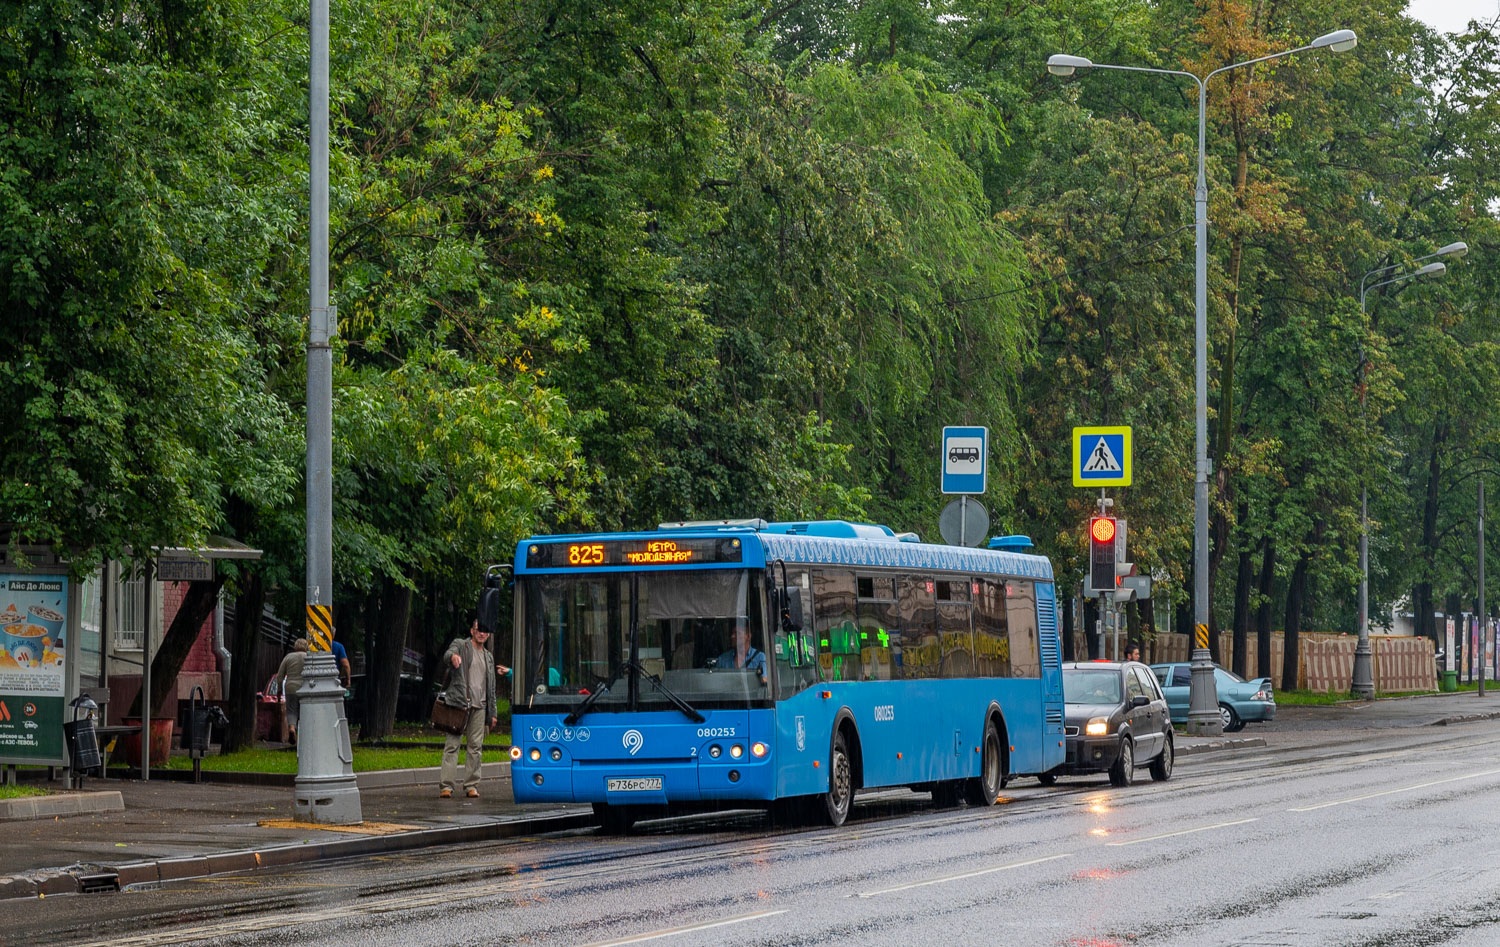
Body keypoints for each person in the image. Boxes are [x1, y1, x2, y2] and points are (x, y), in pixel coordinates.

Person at [438, 616, 497, 799]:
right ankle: (446, 786)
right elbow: (448, 655)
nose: (481, 633)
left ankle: (471, 785)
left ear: (488, 634)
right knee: (452, 745)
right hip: (459, 704)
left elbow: (491, 688)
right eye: (478, 629)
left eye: (484, 630)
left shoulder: (488, 657)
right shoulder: (461, 645)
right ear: (472, 631)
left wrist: (492, 713)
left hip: (480, 707)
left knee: (475, 747)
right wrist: (453, 657)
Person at [273, 638, 309, 743]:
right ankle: (304, 733)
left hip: (291, 687)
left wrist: (279, 690)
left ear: (295, 646)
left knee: (291, 710)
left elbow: (280, 675)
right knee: (304, 710)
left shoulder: (288, 657)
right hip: (305, 687)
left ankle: (292, 728)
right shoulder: (309, 657)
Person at [715, 619, 767, 684]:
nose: (732, 636)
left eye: (737, 633)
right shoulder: (723, 660)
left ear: (748, 636)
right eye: (732, 633)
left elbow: (764, 680)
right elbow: (716, 684)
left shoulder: (760, 658)